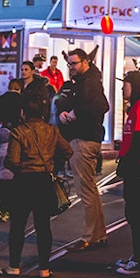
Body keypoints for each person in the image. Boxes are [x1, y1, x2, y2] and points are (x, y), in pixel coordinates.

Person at [0, 91, 72, 278]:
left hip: (23, 182)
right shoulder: (52, 130)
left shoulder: (18, 132)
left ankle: (14, 266)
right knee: (43, 226)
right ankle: (44, 269)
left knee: (17, 226)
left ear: (23, 112)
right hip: (44, 181)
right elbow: (68, 151)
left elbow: (12, 161)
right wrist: (52, 165)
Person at [59, 48, 110, 251]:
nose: (71, 67)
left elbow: (100, 106)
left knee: (85, 190)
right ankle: (99, 234)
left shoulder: (88, 82)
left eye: (74, 63)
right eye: (69, 63)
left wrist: (73, 114)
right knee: (90, 189)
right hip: (87, 138)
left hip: (83, 138)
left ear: (85, 62)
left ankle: (90, 236)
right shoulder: (89, 80)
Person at [114, 71, 140, 274]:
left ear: (136, 86)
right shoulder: (135, 107)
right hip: (133, 168)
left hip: (137, 170)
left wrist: (128, 162)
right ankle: (138, 255)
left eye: (126, 84)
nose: (123, 88)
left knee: (137, 215)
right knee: (133, 215)